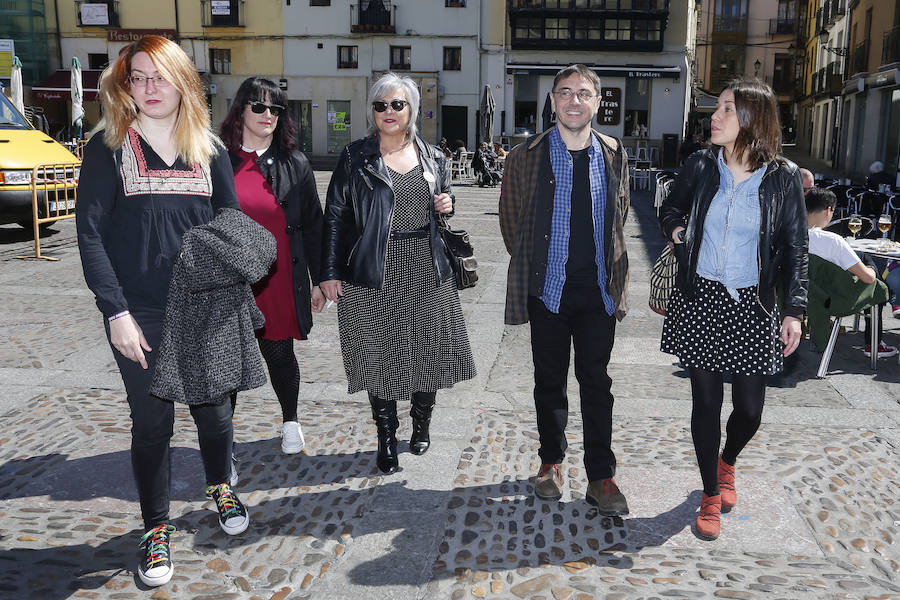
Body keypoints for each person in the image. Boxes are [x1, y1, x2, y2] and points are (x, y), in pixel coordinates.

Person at [75, 36, 250, 588]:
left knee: (215, 414)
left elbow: (232, 226)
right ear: (126, 86)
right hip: (140, 312)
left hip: (204, 307)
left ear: (182, 81)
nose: (149, 88)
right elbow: (90, 236)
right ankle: (155, 528)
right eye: (138, 77)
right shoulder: (106, 148)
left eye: (159, 76)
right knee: (152, 424)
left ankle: (221, 482)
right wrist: (115, 312)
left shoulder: (210, 150)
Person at [659, 80, 808, 541]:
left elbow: (796, 247)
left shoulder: (782, 178)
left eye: (727, 108)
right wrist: (679, 233)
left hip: (752, 302)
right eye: (718, 107)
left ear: (752, 119)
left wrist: (794, 309)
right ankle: (708, 493)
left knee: (749, 410)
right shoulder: (700, 165)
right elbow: (670, 209)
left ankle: (728, 462)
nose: (715, 116)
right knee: (705, 401)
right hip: (702, 296)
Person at [320, 72, 476, 475]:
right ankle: (386, 438)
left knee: (429, 350)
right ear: (372, 111)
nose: (388, 112)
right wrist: (329, 272)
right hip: (373, 269)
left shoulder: (434, 157)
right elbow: (335, 216)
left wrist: (447, 203)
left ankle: (421, 424)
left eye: (397, 104)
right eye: (380, 105)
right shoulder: (356, 156)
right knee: (379, 356)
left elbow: (443, 203)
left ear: (411, 109)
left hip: (427, 265)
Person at [499, 64, 631, 515]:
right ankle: (550, 463)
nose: (575, 101)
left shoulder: (614, 153)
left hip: (597, 291)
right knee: (548, 381)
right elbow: (511, 222)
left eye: (584, 93)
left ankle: (601, 477)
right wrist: (538, 266)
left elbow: (620, 216)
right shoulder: (525, 156)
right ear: (552, 101)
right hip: (548, 292)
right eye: (565, 93)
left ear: (598, 102)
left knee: (597, 383)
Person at [220, 77, 325, 459]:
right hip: (230, 281)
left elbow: (314, 223)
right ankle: (222, 437)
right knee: (227, 358)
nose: (268, 115)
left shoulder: (295, 163)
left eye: (276, 109)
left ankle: (291, 420)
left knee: (279, 354)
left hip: (279, 279)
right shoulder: (218, 159)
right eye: (260, 107)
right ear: (242, 109)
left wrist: (318, 279)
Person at [806, 188, 898, 357]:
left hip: (800, 297)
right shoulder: (832, 240)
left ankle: (893, 297)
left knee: (863, 257)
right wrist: (870, 270)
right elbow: (868, 279)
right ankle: (874, 343)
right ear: (828, 210)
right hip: (833, 299)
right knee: (876, 282)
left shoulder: (789, 234)